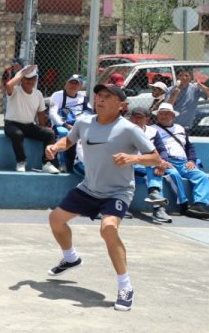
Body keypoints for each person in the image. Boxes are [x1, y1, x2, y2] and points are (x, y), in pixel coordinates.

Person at [44, 83, 161, 312]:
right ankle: (70, 258)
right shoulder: (84, 122)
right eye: (99, 95)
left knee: (108, 228)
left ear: (121, 105)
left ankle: (125, 286)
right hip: (89, 188)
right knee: (55, 219)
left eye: (108, 96)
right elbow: (69, 140)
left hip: (117, 191)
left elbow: (155, 158)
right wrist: (55, 147)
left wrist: (133, 159)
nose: (101, 99)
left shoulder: (129, 129)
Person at [151, 102, 209, 220]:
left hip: (184, 162)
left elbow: (189, 147)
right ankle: (183, 205)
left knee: (202, 176)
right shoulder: (152, 130)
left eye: (167, 114)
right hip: (167, 161)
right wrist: (162, 161)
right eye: (161, 114)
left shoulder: (180, 129)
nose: (163, 116)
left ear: (173, 116)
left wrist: (192, 161)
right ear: (157, 116)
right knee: (174, 175)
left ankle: (198, 205)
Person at [3, 65, 58, 174]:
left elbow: (41, 113)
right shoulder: (15, 90)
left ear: (36, 80)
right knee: (17, 134)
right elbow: (8, 84)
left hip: (29, 125)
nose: (30, 81)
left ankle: (47, 163)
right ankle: (21, 161)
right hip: (11, 125)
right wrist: (23, 73)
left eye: (32, 78)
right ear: (22, 79)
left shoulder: (38, 94)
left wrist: (43, 128)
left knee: (50, 133)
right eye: (27, 78)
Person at [126, 105, 173, 224]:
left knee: (154, 168)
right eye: (134, 117)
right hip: (127, 163)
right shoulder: (124, 129)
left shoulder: (153, 131)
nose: (136, 120)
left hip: (144, 166)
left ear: (147, 119)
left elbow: (162, 150)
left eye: (140, 118)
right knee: (152, 167)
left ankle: (156, 200)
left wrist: (161, 162)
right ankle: (156, 201)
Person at [45, 74, 90, 172]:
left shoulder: (83, 99)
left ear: (80, 86)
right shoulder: (57, 95)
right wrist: (65, 125)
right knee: (63, 133)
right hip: (61, 125)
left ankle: (82, 163)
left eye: (76, 83)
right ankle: (62, 164)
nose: (73, 85)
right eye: (71, 82)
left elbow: (90, 114)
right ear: (65, 84)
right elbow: (52, 113)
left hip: (77, 126)